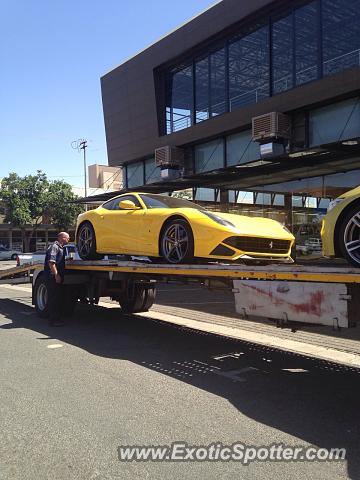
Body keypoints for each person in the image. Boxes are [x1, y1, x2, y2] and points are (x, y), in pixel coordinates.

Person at [44, 232, 70, 326]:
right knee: (54, 299)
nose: (68, 239)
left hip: (54, 276)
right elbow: (51, 262)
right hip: (52, 277)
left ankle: (56, 318)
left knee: (57, 298)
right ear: (62, 238)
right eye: (67, 238)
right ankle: (53, 320)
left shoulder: (60, 247)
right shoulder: (54, 247)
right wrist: (56, 275)